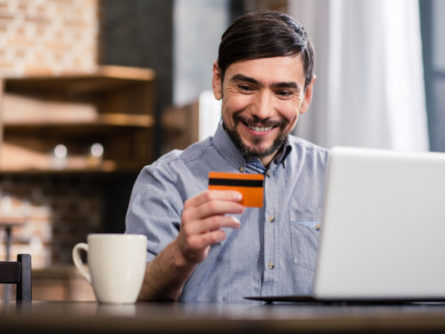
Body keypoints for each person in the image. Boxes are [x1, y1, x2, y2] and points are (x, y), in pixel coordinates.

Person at [125, 10, 329, 302]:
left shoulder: (334, 178)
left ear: (306, 95)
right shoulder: (165, 181)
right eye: (246, 87)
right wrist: (181, 253)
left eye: (283, 92)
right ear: (218, 80)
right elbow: (136, 298)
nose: (262, 110)